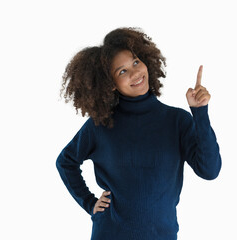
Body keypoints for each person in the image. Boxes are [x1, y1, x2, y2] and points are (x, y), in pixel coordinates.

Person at [56, 27, 222, 240]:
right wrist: (89, 203)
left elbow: (209, 170)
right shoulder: (100, 125)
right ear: (112, 85)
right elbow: (65, 161)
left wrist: (200, 112)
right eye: (122, 71)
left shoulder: (177, 121)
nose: (135, 73)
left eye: (135, 62)